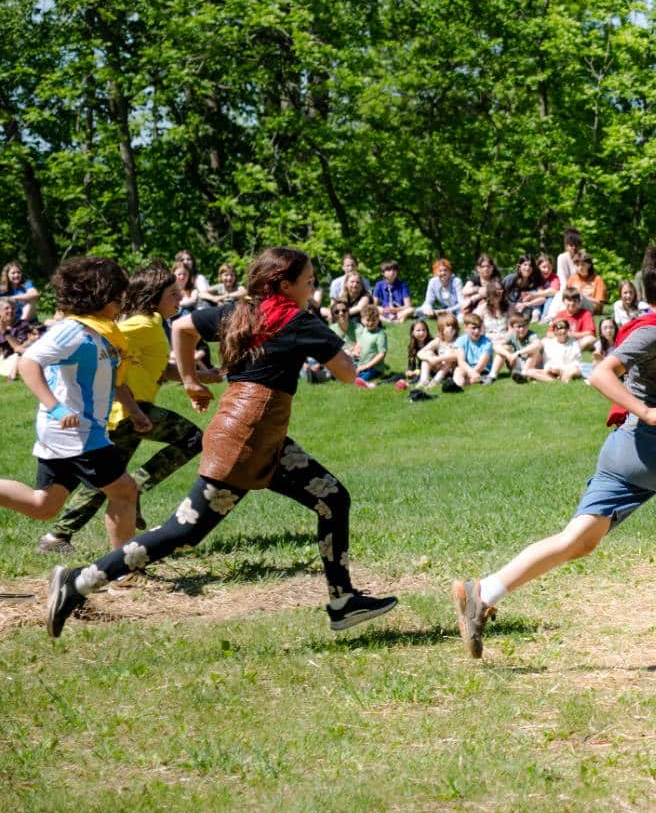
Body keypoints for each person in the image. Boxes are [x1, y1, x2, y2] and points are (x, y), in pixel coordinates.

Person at [450, 241, 656, 657]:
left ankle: (482, 592)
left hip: (624, 451)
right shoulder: (651, 332)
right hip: (654, 445)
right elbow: (602, 374)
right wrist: (647, 410)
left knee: (579, 540)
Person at [46, 247, 397, 638]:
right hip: (245, 442)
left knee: (332, 498)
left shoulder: (237, 311)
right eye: (309, 282)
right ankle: (77, 582)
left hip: (261, 438)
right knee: (182, 532)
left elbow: (182, 328)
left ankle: (342, 600)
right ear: (284, 285)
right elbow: (348, 374)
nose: (312, 288)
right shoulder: (298, 320)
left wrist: (192, 379)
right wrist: (333, 345)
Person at [36, 263, 212, 556]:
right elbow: (104, 346)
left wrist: (201, 376)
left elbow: (160, 369)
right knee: (192, 439)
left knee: (107, 483)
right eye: (172, 293)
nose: (179, 298)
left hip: (131, 411)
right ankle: (137, 488)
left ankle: (58, 535)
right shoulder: (139, 325)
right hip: (127, 411)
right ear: (153, 296)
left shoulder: (155, 324)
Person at [1, 258, 143, 554]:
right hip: (75, 431)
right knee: (125, 492)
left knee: (44, 506)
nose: (122, 301)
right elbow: (28, 362)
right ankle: (123, 571)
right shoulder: (72, 331)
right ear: (100, 295)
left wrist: (134, 410)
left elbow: (114, 379)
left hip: (77, 430)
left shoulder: (102, 332)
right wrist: (55, 408)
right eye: (118, 294)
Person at [522, 316, 587, 382]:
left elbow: (577, 362)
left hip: (567, 370)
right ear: (555, 331)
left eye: (565, 328)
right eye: (559, 328)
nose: (563, 331)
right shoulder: (547, 342)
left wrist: (561, 370)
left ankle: (550, 379)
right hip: (550, 371)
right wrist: (550, 369)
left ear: (568, 330)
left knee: (575, 370)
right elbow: (537, 347)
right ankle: (554, 380)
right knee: (529, 371)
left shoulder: (574, 344)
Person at [0, 298, 45, 380]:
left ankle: (13, 374)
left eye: (13, 308)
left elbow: (20, 348)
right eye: (7, 308)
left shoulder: (23, 325)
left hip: (18, 359)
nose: (11, 311)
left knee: (20, 354)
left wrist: (4, 331)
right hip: (4, 359)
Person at [419, 314, 464, 393]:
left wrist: (437, 359)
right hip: (439, 367)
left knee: (449, 356)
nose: (452, 329)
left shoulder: (459, 340)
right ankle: (423, 380)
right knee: (427, 355)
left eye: (454, 326)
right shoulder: (439, 341)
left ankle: (435, 381)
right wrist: (430, 358)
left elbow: (456, 356)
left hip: (451, 369)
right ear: (441, 329)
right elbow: (420, 353)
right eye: (448, 326)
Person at [350, 303, 390, 382]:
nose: (371, 323)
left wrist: (367, 366)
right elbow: (360, 343)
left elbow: (382, 354)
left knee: (360, 379)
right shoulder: (364, 331)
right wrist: (355, 350)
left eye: (373, 320)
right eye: (368, 320)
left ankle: (374, 375)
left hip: (374, 367)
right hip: (361, 363)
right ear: (362, 320)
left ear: (378, 319)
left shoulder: (380, 334)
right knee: (348, 374)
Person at [453, 315, 495, 388]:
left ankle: (457, 384)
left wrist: (472, 373)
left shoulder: (487, 343)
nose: (477, 331)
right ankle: (457, 386)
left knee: (475, 377)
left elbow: (481, 365)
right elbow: (461, 361)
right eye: (473, 328)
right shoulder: (461, 340)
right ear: (465, 328)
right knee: (458, 370)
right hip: (468, 368)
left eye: (479, 328)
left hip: (483, 370)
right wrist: (470, 372)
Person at [494, 313, 537, 382]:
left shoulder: (531, 335)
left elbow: (537, 344)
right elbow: (496, 346)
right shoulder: (512, 335)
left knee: (535, 351)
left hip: (529, 363)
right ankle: (492, 375)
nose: (522, 329)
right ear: (512, 327)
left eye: (524, 326)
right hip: (515, 362)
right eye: (519, 327)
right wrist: (508, 355)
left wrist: (518, 353)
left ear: (528, 325)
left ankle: (523, 375)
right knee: (504, 348)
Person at [401, 319, 437, 400]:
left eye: (424, 330)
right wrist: (409, 371)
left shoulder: (431, 343)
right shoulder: (412, 346)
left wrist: (418, 371)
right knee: (401, 375)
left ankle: (409, 384)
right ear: (412, 332)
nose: (421, 333)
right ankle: (380, 383)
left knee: (418, 376)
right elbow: (411, 364)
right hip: (418, 370)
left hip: (431, 369)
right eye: (418, 330)